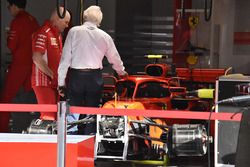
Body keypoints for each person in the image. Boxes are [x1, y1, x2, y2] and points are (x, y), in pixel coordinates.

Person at [58, 5, 128, 135]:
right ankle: (89, 139)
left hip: (76, 76)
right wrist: (122, 72)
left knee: (73, 109)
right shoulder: (105, 36)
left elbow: (65, 59)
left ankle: (70, 138)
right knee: (93, 110)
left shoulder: (73, 31)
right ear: (99, 20)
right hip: (94, 77)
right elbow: (115, 58)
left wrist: (61, 82)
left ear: (84, 17)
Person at [0, 0, 39, 132]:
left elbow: (11, 46)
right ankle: (27, 129)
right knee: (28, 101)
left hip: (18, 68)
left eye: (9, 6)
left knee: (6, 99)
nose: (8, 9)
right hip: (32, 68)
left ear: (15, 6)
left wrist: (7, 38)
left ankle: (3, 130)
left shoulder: (17, 21)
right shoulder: (33, 20)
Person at [31, 7, 70, 121]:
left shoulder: (57, 35)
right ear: (58, 19)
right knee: (48, 117)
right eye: (66, 22)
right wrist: (53, 76)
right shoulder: (43, 32)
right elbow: (37, 58)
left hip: (53, 83)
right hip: (43, 82)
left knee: (56, 118)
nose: (67, 25)